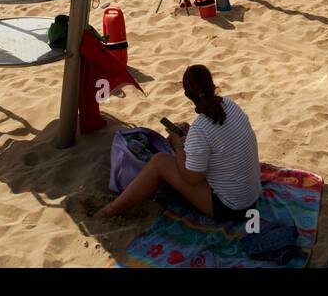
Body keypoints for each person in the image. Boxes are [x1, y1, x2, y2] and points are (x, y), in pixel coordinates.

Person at [97, 65, 261, 223]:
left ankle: (110, 210)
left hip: (232, 207)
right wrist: (190, 137)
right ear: (212, 86)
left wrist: (178, 146)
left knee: (159, 161)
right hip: (251, 196)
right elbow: (221, 138)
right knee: (180, 157)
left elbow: (192, 179)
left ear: (187, 94)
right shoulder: (229, 104)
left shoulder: (201, 128)